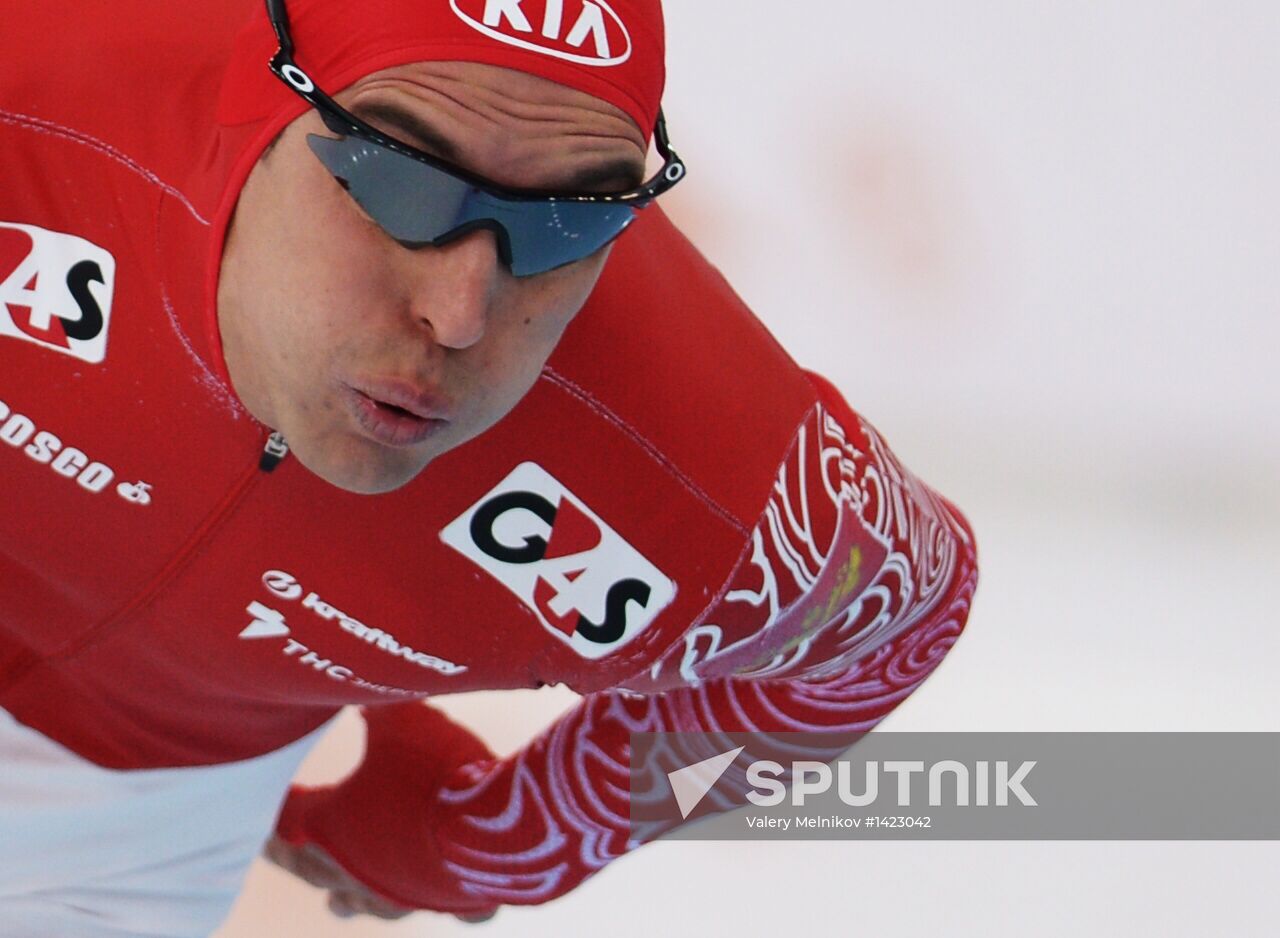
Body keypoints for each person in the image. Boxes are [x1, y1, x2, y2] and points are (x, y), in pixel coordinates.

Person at [0, 0, 979, 933]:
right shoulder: (39, 96)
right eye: (398, 181)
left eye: (572, 217)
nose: (458, 313)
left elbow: (895, 623)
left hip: (117, 834)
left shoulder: (711, 476)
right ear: (257, 104)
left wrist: (511, 836)